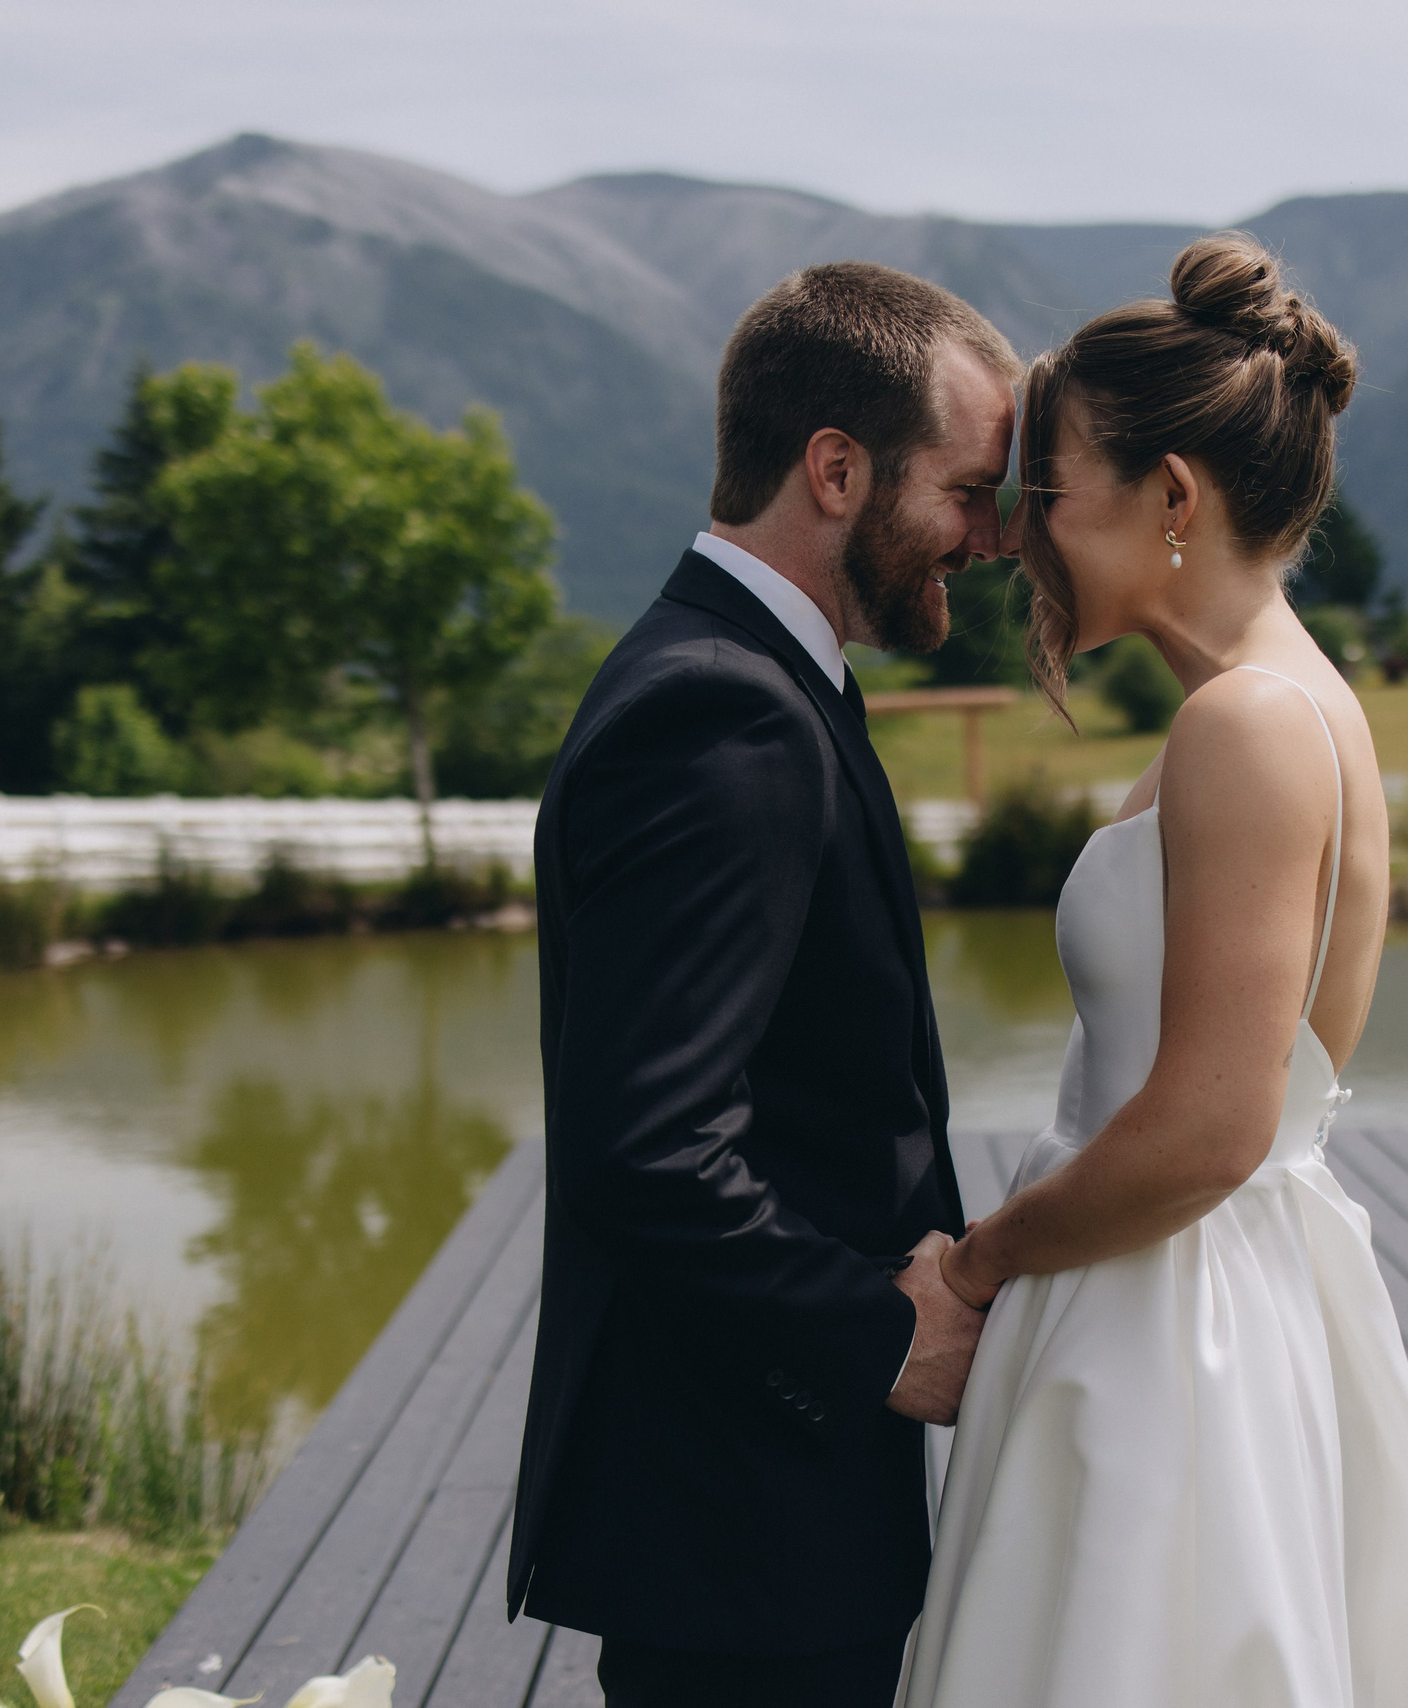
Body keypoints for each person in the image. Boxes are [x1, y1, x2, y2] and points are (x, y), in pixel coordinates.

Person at [902, 235, 1408, 1708]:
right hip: (1178, 1281)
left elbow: (1207, 1127)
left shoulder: (1250, 726)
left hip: (1168, 1312)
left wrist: (974, 1266)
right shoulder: (1283, 708)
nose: (1019, 536)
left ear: (1172, 496)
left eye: (1051, 492)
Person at [509, 261, 1021, 1708]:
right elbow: (649, 1146)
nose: (989, 538)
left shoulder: (763, 682)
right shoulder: (722, 712)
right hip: (739, 1525)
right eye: (971, 491)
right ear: (839, 469)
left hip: (769, 1505)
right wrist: (888, 1341)